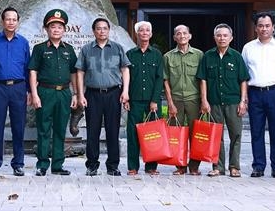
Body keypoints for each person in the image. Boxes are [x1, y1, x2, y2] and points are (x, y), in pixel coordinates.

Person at [76, 17, 130, 176]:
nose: (102, 31)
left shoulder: (117, 48)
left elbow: (125, 70)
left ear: (109, 30)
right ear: (94, 31)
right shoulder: (86, 49)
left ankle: (113, 166)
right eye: (98, 28)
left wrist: (125, 91)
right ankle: (92, 165)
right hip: (92, 94)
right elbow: (80, 72)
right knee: (93, 131)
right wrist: (80, 94)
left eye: (104, 28)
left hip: (114, 93)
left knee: (113, 130)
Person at [0, 7, 30, 177]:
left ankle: (18, 163)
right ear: (2, 21)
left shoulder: (23, 42)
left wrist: (29, 91)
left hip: (18, 88)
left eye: (14, 19)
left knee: (18, 126)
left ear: (18, 22)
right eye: (7, 19)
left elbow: (27, 68)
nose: (11, 22)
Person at [28, 9, 77, 176]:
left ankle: (57, 165)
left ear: (64, 30)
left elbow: (73, 73)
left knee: (60, 128)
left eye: (59, 27)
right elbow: (33, 71)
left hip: (64, 93)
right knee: (43, 129)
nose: (56, 30)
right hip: (45, 92)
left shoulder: (68, 49)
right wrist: (34, 94)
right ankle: (42, 164)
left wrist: (75, 93)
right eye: (52, 27)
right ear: (46, 30)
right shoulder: (40, 49)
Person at [197, 23, 249, 177]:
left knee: (236, 135)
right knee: (215, 136)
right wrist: (204, 100)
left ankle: (234, 167)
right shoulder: (208, 56)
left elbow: (243, 80)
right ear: (214, 38)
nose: (222, 38)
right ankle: (218, 167)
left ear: (231, 38)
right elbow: (203, 80)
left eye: (225, 35)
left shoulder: (236, 57)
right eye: (219, 35)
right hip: (214, 103)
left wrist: (243, 101)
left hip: (233, 102)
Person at [241, 12, 275, 178]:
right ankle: (258, 166)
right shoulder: (248, 48)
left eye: (267, 25)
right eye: (260, 26)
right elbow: (244, 75)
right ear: (255, 28)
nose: (264, 29)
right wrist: (244, 97)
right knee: (256, 131)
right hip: (255, 93)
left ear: (273, 27)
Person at [163, 24, 204, 175]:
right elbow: (165, 81)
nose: (182, 36)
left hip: (194, 99)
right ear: (174, 37)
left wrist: (204, 100)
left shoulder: (199, 55)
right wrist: (170, 103)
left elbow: (202, 80)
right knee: (176, 135)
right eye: (178, 34)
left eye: (184, 33)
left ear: (190, 36)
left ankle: (194, 166)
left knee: (195, 134)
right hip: (176, 100)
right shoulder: (168, 56)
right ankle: (180, 166)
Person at [125, 21, 164, 176]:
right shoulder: (130, 54)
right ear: (137, 34)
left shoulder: (156, 54)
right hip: (134, 100)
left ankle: (151, 166)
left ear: (151, 34)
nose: (145, 33)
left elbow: (160, 78)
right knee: (132, 133)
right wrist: (126, 97)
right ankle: (133, 166)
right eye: (141, 30)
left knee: (153, 134)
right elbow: (125, 77)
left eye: (148, 30)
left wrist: (155, 100)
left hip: (152, 101)